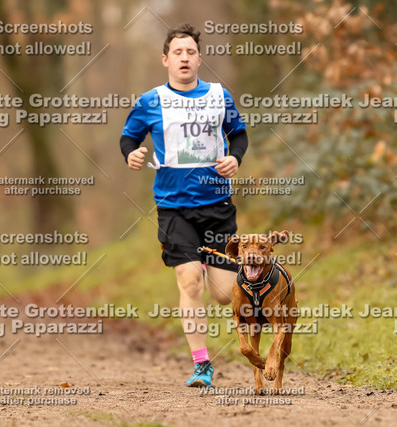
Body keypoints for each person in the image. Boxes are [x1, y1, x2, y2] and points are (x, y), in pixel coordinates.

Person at [119, 23, 248, 387]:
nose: (184, 57)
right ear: (166, 60)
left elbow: (238, 134)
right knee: (189, 282)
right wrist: (132, 154)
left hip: (217, 206)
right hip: (174, 207)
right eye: (178, 52)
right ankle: (201, 364)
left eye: (190, 51)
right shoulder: (151, 101)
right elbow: (128, 138)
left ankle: (216, 271)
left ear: (199, 58)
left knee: (222, 295)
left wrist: (235, 158)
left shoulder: (219, 95)